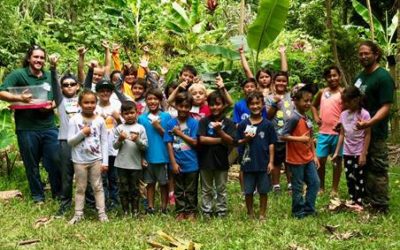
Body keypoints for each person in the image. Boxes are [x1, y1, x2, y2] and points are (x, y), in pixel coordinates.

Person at [0, 45, 61, 203]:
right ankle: (38, 196)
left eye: (42, 57)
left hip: (49, 126)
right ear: (29, 58)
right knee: (31, 164)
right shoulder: (19, 74)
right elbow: (2, 91)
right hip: (27, 128)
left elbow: (57, 95)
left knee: (55, 160)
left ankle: (58, 193)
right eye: (36, 57)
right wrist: (20, 98)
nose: (39, 60)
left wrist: (52, 105)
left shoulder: (48, 75)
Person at [353, 40, 395, 213]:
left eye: (366, 53)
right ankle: (367, 199)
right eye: (361, 54)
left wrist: (370, 122)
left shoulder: (383, 77)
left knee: (377, 167)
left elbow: (386, 106)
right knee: (363, 165)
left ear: (375, 54)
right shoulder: (359, 77)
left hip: (375, 131)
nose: (363, 56)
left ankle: (380, 205)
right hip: (359, 131)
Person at [67, 89, 109, 224]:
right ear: (79, 104)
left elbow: (104, 141)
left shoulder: (100, 120)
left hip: (96, 159)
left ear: (96, 103)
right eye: (86, 102)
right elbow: (70, 141)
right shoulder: (74, 120)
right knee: (80, 187)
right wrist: (82, 133)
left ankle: (102, 213)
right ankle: (78, 214)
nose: (89, 105)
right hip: (79, 160)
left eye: (92, 102)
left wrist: (105, 161)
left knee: (98, 186)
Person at [280, 83, 320, 219]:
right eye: (305, 101)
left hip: (308, 158)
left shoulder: (307, 118)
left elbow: (310, 138)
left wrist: (314, 156)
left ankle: (309, 208)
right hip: (295, 160)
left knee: (315, 183)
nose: (308, 104)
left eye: (310, 100)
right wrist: (299, 139)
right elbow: (283, 136)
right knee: (297, 187)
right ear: (295, 101)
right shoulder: (294, 118)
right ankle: (298, 212)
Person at [48, 54, 81, 215]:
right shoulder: (60, 101)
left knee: (84, 174)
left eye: (72, 84)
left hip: (82, 142)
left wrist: (89, 69)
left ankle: (88, 202)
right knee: (66, 175)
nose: (69, 86)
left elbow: (88, 84)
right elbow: (54, 84)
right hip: (64, 141)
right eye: (65, 85)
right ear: (62, 88)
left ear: (77, 86)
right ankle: (65, 203)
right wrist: (53, 68)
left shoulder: (84, 99)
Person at [236, 91, 276, 220]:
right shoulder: (243, 125)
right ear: (248, 106)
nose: (255, 106)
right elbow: (237, 142)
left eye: (258, 103)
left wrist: (271, 162)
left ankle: (262, 214)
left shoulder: (268, 125)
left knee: (263, 191)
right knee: (248, 191)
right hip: (247, 163)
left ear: (263, 105)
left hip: (263, 163)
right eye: (252, 104)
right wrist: (245, 140)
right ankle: (250, 213)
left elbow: (271, 144)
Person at [332, 86, 371, 212]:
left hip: (359, 151)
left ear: (356, 100)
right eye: (344, 102)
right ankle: (353, 199)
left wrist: (363, 153)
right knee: (349, 177)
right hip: (347, 152)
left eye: (348, 102)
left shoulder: (364, 114)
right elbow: (342, 134)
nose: (346, 104)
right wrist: (337, 152)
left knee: (359, 176)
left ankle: (359, 202)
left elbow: (367, 134)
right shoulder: (343, 114)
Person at [198, 91, 235, 218]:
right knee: (206, 189)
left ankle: (221, 210)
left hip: (222, 160)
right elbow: (202, 139)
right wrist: (221, 139)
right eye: (212, 104)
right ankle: (206, 210)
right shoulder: (204, 121)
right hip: (205, 160)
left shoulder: (229, 123)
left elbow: (232, 141)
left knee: (221, 188)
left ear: (224, 105)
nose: (215, 107)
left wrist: (219, 131)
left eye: (218, 104)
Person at [164, 92, 199, 221]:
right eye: (181, 106)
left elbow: (195, 142)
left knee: (191, 190)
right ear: (176, 106)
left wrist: (179, 133)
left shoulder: (194, 123)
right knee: (178, 189)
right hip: (177, 161)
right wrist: (173, 163)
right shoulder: (170, 123)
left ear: (190, 107)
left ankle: (191, 211)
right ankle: (180, 211)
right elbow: (168, 143)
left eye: (186, 106)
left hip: (192, 162)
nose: (183, 109)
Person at [311, 66, 344, 196]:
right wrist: (316, 117)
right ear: (325, 78)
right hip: (323, 132)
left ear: (339, 76)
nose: (332, 78)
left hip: (337, 133)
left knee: (336, 161)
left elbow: (348, 109)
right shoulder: (322, 92)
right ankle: (321, 187)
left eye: (334, 75)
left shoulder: (343, 92)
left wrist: (343, 122)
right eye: (329, 76)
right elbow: (314, 105)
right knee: (320, 160)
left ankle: (334, 189)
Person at [138, 88, 171, 214]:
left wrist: (158, 127)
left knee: (164, 183)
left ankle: (164, 207)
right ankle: (150, 207)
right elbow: (140, 140)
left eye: (155, 99)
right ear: (145, 101)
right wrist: (142, 157)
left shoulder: (166, 116)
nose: (152, 101)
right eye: (149, 99)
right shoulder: (142, 118)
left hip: (163, 156)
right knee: (150, 183)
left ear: (160, 101)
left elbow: (169, 136)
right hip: (148, 156)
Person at [113, 101, 148, 215]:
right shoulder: (119, 128)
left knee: (135, 188)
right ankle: (125, 211)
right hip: (121, 164)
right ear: (122, 115)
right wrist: (120, 139)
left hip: (135, 164)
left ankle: (135, 210)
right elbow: (114, 146)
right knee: (123, 188)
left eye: (132, 112)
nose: (130, 115)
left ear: (136, 113)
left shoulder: (140, 128)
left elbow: (145, 146)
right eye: (126, 113)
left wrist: (137, 140)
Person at [266, 71, 293, 193]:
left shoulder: (292, 96)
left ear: (287, 82)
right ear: (274, 82)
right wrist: (275, 103)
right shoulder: (269, 98)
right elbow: (268, 116)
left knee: (289, 160)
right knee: (277, 161)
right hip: (276, 135)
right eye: (278, 80)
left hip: (291, 135)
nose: (281, 83)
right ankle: (275, 184)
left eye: (284, 81)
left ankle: (290, 182)